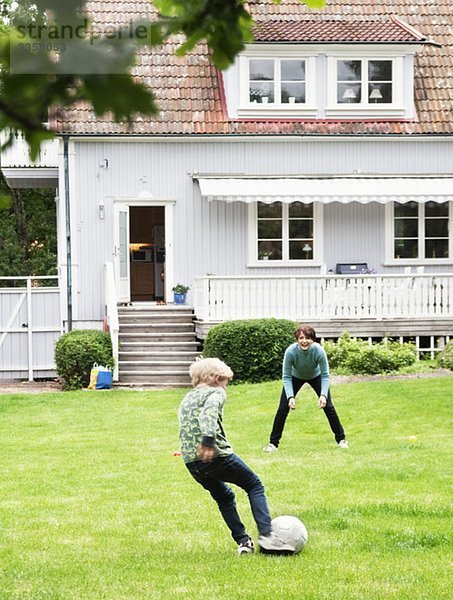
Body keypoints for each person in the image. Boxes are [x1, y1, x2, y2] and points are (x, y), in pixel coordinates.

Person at [178, 357, 294, 555]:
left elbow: (186, 425)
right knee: (253, 485)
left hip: (191, 461)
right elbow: (208, 414)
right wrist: (208, 441)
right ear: (216, 378)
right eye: (226, 382)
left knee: (224, 496)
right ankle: (267, 538)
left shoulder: (188, 397)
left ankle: (243, 541)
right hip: (215, 454)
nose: (226, 387)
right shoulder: (216, 392)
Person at [263, 324, 348, 452]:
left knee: (328, 407)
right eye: (301, 338)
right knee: (282, 409)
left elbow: (325, 375)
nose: (304, 341)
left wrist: (323, 395)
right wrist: (290, 396)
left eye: (308, 338)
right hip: (295, 377)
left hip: (316, 376)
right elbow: (286, 376)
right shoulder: (291, 351)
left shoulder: (318, 351)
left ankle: (341, 440)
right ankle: (273, 444)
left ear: (313, 339)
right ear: (297, 339)